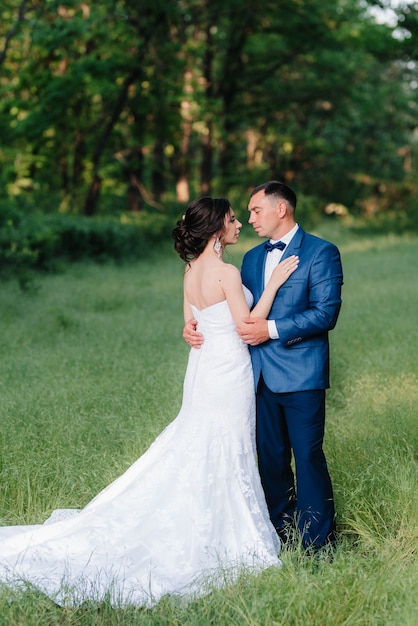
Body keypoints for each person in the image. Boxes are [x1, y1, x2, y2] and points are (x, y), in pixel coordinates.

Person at [0, 197, 299, 608]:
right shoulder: (227, 272)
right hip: (227, 369)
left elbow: (190, 323)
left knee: (202, 441)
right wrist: (275, 284)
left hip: (202, 370)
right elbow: (247, 327)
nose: (238, 225)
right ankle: (220, 537)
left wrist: (189, 329)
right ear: (216, 228)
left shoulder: (191, 270)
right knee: (224, 445)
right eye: (232, 220)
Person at [184, 182, 343, 553]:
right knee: (270, 460)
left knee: (307, 457)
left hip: (302, 373)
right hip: (253, 376)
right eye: (245, 213)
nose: (249, 218)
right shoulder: (252, 259)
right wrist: (193, 324)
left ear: (281, 209)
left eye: (255, 210)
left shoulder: (322, 252)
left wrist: (269, 329)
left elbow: (326, 313)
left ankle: (318, 544)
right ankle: (280, 534)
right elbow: (225, 307)